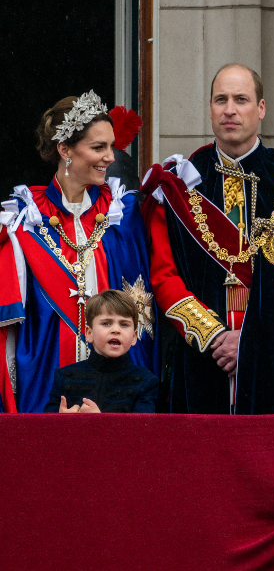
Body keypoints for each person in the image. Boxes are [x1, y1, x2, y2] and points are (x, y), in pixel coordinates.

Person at [143, 63, 274, 414]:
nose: (230, 110)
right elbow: (164, 276)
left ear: (260, 108)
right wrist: (214, 336)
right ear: (210, 108)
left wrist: (250, 343)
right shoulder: (178, 183)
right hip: (203, 357)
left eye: (241, 99)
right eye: (221, 99)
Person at [0, 93, 157, 413]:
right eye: (98, 148)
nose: (110, 157)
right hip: (45, 372)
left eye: (111, 147)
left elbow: (140, 305)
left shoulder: (121, 212)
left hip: (116, 384)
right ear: (65, 150)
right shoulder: (24, 216)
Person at [45, 290, 159, 413]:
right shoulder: (64, 376)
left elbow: (143, 431)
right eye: (106, 323)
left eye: (124, 324)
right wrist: (60, 422)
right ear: (89, 333)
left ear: (134, 337)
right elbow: (43, 428)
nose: (116, 330)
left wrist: (100, 422)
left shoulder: (146, 381)